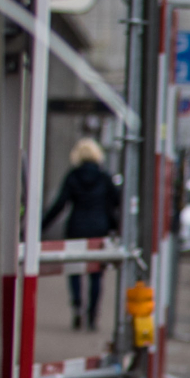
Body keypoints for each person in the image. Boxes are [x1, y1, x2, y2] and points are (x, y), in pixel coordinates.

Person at [44, 137, 123, 329]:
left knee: (74, 271)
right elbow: (117, 201)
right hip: (99, 230)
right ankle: (92, 315)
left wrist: (40, 227)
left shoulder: (73, 176)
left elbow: (60, 204)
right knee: (96, 274)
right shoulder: (105, 178)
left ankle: (77, 306)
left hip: (76, 228)